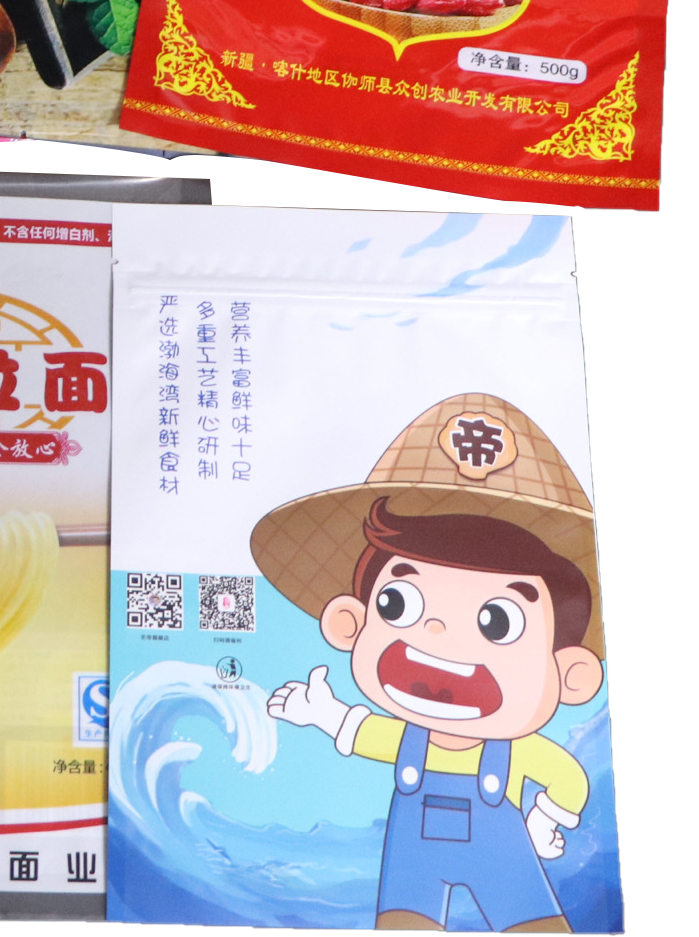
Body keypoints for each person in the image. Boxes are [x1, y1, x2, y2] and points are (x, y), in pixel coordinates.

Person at [250, 394, 606, 933]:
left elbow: (567, 778)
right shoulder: (405, 738)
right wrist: (322, 711)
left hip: (506, 861)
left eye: (498, 622)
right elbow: (363, 731)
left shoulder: (521, 752)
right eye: (398, 604)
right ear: (350, 623)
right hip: (412, 868)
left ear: (570, 675)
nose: (439, 636)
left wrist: (541, 819)